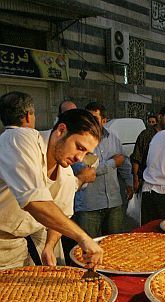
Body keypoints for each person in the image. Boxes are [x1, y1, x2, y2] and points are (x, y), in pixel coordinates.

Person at [0, 91, 103, 268]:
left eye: (86, 152)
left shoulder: (67, 174)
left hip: (17, 246)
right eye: (79, 147)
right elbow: (34, 200)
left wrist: (49, 246)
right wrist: (82, 237)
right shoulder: (20, 139)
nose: (80, 157)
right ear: (61, 130)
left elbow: (60, 214)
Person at [72, 102, 128, 238]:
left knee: (115, 246)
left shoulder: (113, 136)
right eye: (88, 118)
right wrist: (113, 163)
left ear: (104, 120)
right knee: (88, 248)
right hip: (89, 205)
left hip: (113, 202)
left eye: (94, 118)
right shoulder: (78, 138)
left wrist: (130, 183)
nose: (90, 122)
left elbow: (124, 161)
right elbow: (82, 171)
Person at [131, 105, 165, 193]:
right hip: (147, 182)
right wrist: (135, 179)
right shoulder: (146, 135)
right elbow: (136, 158)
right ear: (160, 117)